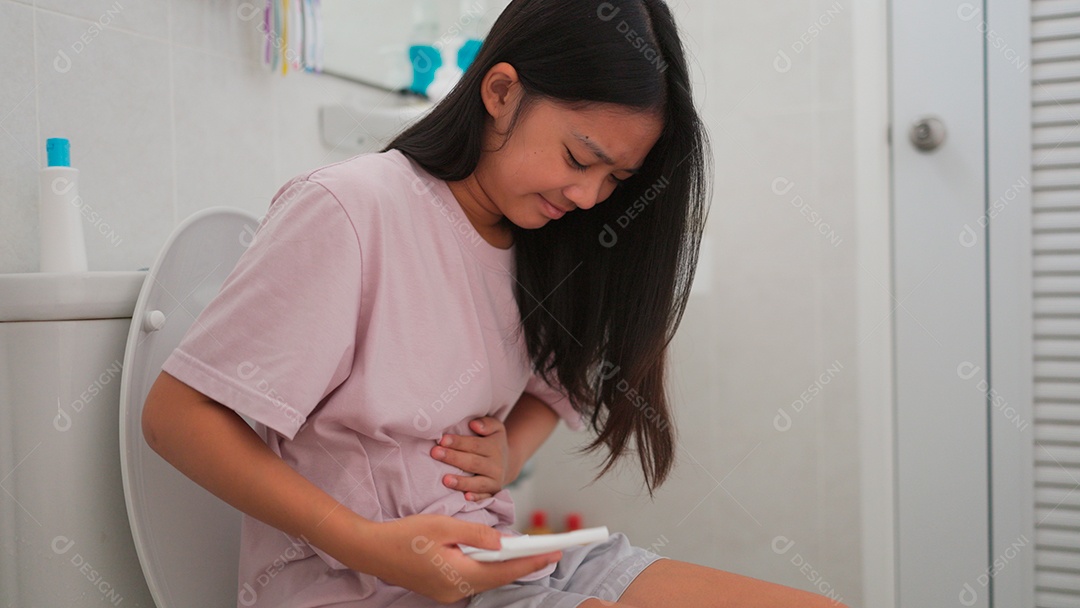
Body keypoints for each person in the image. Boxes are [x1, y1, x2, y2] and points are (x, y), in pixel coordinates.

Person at [142, 1, 848, 606]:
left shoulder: (541, 239)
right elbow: (177, 415)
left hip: (495, 563)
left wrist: (508, 453)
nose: (589, 197)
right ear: (502, 91)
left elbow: (559, 381)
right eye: (579, 158)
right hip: (356, 582)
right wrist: (366, 543)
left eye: (616, 178)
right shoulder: (353, 210)